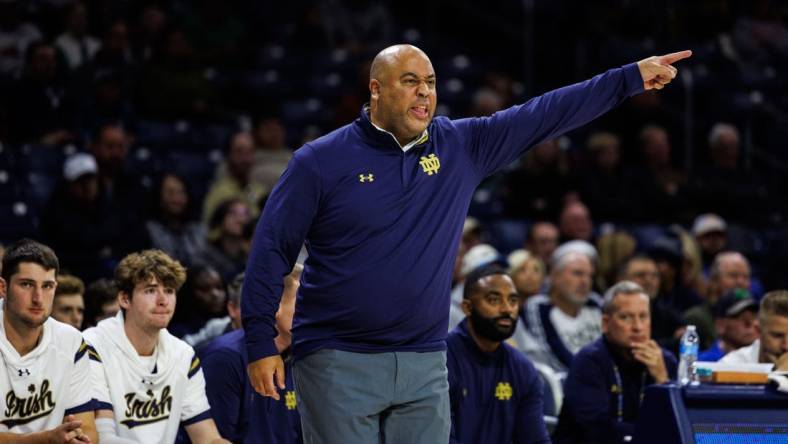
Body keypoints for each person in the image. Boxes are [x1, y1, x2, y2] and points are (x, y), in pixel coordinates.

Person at [242, 43, 691, 443]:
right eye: (411, 81)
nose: (424, 92)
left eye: (431, 83)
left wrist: (628, 79)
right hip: (338, 357)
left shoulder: (460, 145)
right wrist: (261, 344)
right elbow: (270, 251)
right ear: (376, 90)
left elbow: (544, 113)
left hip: (424, 361)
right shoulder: (320, 160)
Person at [83, 249, 230, 444]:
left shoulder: (183, 355)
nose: (163, 300)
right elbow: (100, 438)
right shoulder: (92, 346)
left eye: (169, 290)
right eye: (150, 290)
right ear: (124, 299)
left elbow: (207, 437)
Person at [554, 281, 677, 444]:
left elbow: (679, 422)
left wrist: (663, 381)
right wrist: (655, 435)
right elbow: (598, 431)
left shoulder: (665, 361)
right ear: (605, 324)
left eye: (643, 316)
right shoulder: (589, 362)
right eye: (626, 317)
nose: (638, 327)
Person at [0, 239, 97, 443]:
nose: (38, 297)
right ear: (3, 287)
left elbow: (86, 427)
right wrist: (42, 440)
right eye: (26, 285)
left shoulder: (71, 341)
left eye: (47, 286)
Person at [447, 265, 549, 444]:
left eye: (512, 300)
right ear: (467, 307)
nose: (507, 309)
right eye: (494, 300)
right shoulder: (443, 359)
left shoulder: (523, 369)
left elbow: (535, 440)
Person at [201, 266, 303, 443]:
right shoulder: (225, 357)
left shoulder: (304, 356)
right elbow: (213, 439)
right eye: (303, 301)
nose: (316, 313)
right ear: (275, 305)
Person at [519, 251, 602, 373]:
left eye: (590, 276)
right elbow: (548, 357)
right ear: (554, 277)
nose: (585, 281)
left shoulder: (595, 304)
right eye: (577, 273)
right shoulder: (538, 308)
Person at [684, 251, 751, 349]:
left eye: (745, 277)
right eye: (733, 276)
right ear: (715, 281)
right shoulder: (697, 318)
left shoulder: (755, 320)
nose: (740, 282)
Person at [721, 290, 788, 370]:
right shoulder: (731, 366)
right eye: (778, 336)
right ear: (758, 330)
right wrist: (780, 374)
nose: (786, 346)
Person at [698, 288, 758, 361]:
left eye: (754, 316)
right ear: (720, 325)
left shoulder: (766, 361)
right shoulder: (702, 364)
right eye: (741, 318)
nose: (750, 323)